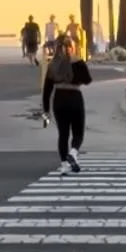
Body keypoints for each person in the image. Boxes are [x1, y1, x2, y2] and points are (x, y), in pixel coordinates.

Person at [42, 33, 90, 173]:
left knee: (63, 134)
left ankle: (64, 165)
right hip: (75, 98)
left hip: (59, 99)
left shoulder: (53, 65)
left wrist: (46, 111)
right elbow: (87, 79)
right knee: (78, 132)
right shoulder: (78, 62)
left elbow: (47, 91)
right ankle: (73, 153)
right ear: (72, 47)